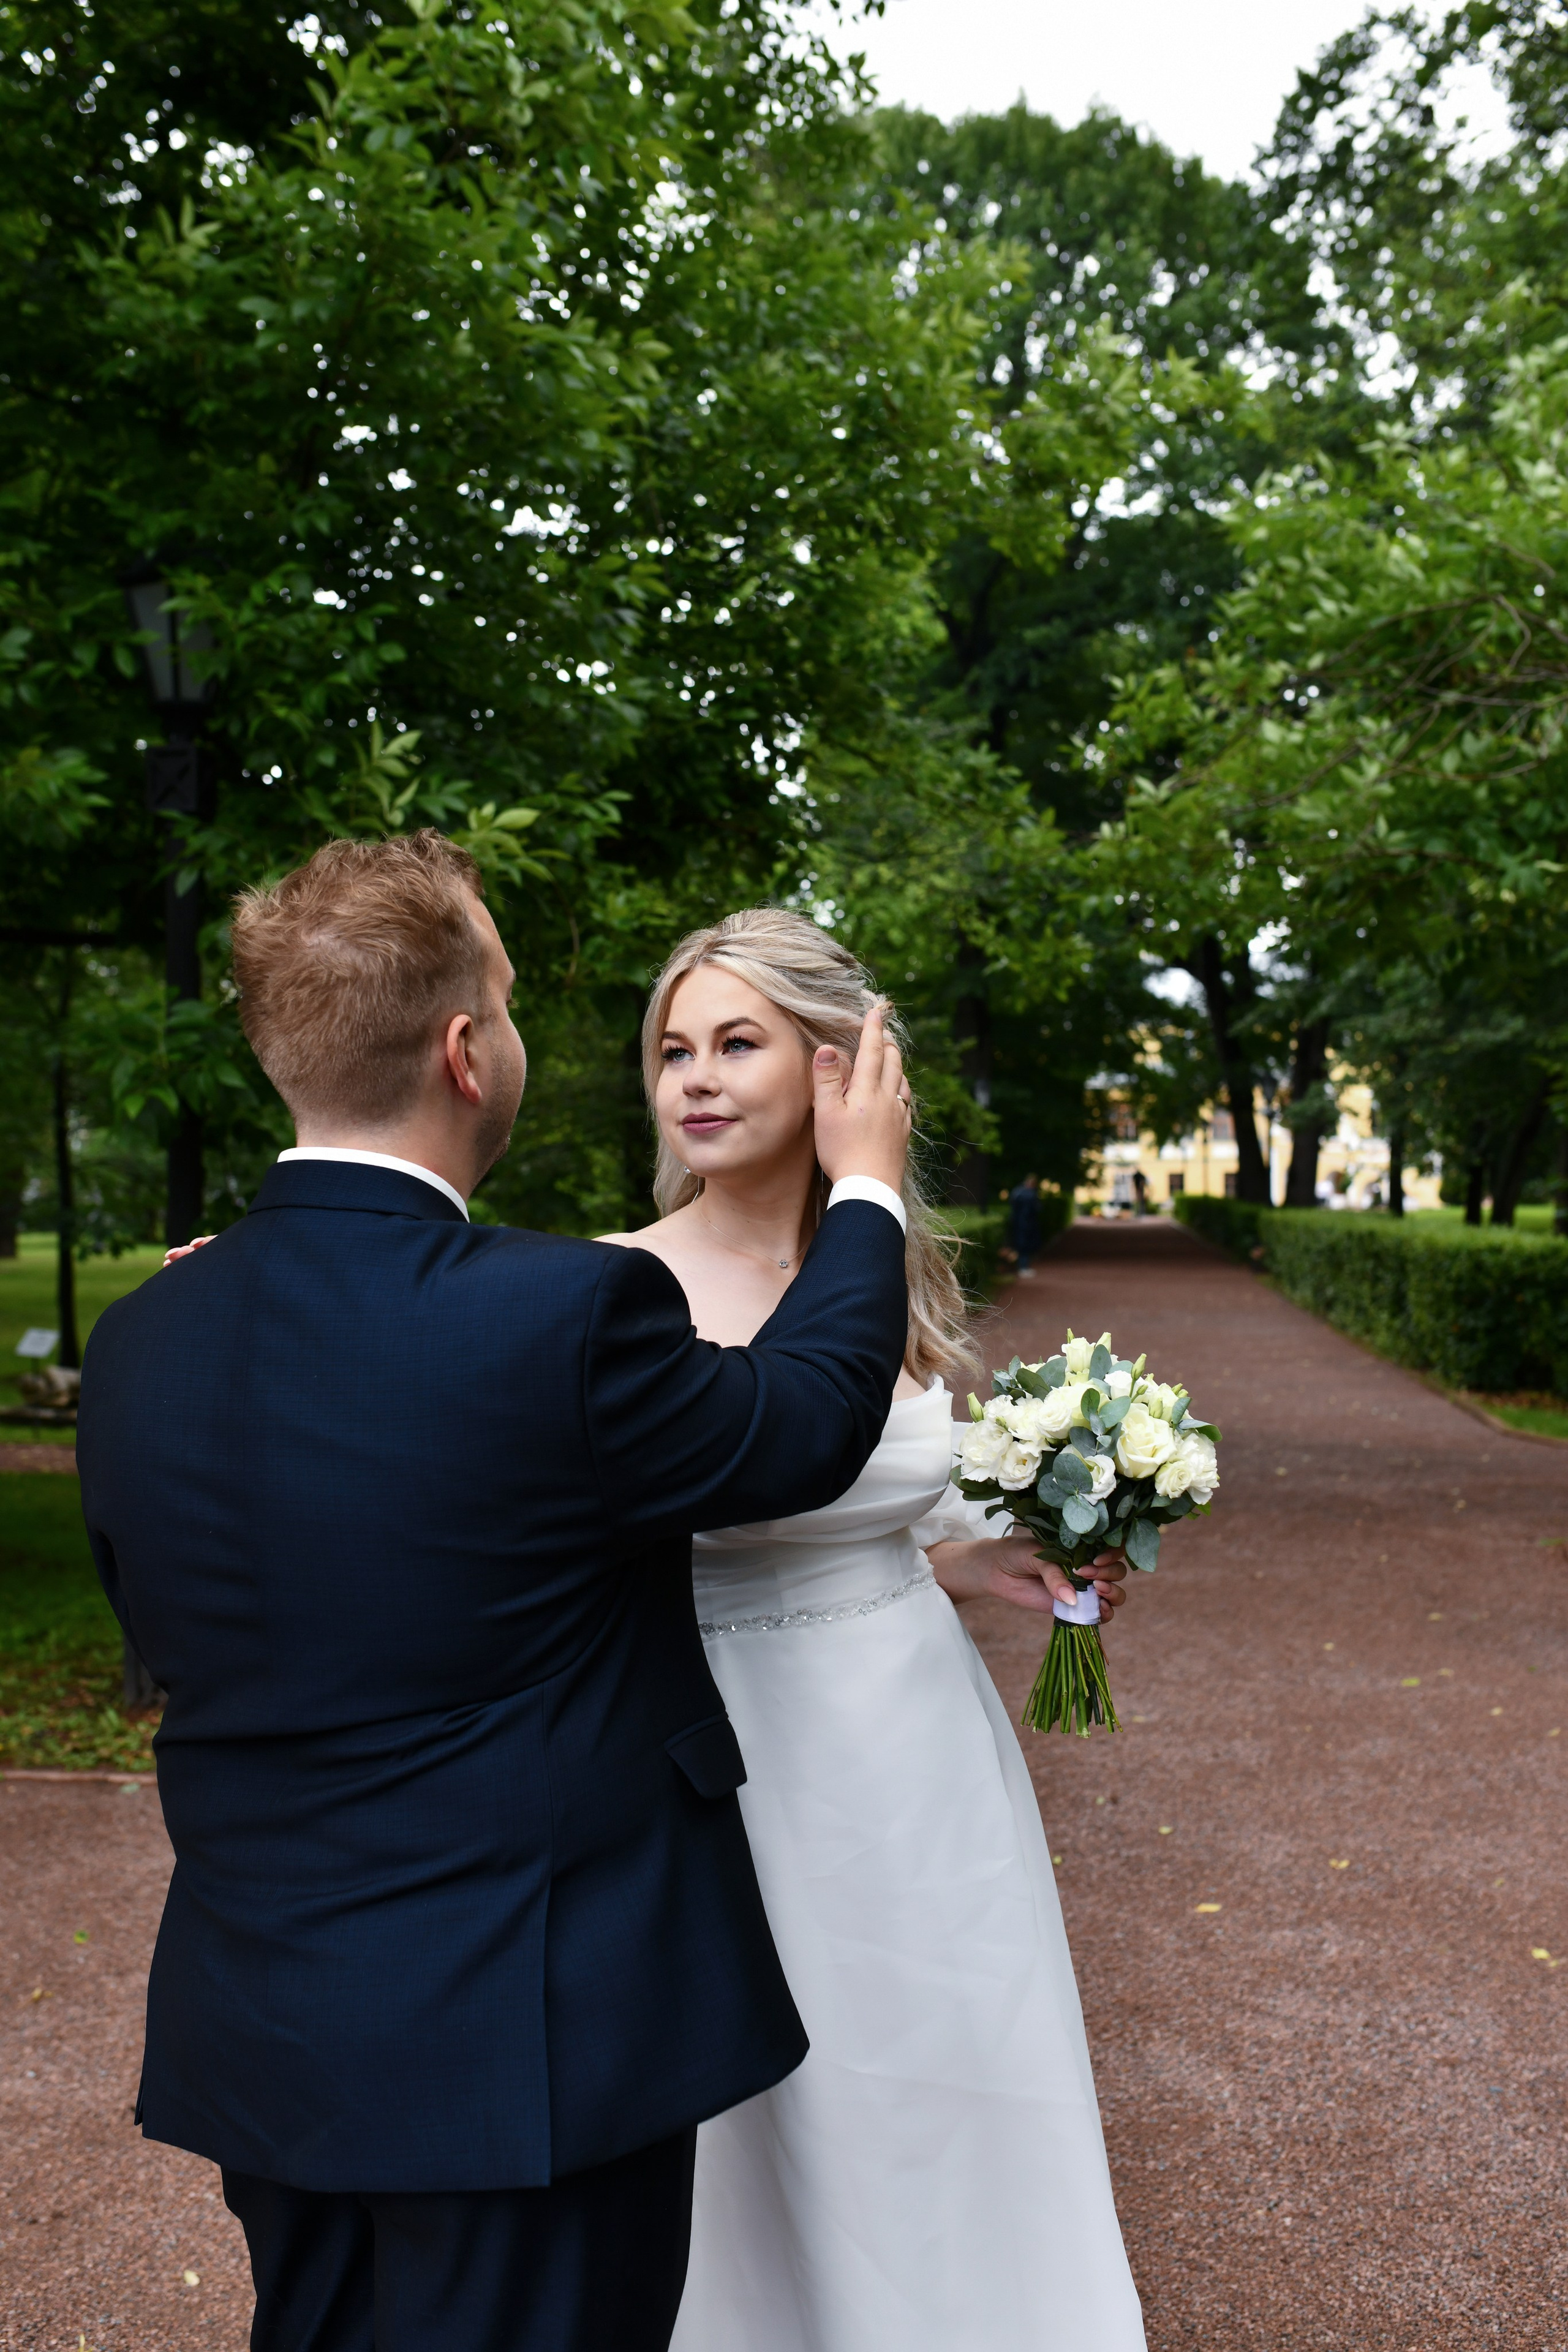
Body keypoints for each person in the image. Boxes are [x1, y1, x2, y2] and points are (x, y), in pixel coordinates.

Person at [75, 833, 916, 2352]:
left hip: (267, 2022)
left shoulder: (144, 1337)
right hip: (525, 2041)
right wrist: (864, 1191)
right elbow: (799, 1425)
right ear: (467, 1053)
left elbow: (163, 1635)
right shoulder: (562, 1313)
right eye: (513, 1002)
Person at [599, 911, 1147, 2352]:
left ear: (836, 1067)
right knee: (761, 2107)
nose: (692, 1079)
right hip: (724, 1753)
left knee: (944, 2075)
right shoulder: (608, 1286)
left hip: (918, 1756)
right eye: (672, 1049)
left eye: (735, 1043)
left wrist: (981, 1557)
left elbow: (860, 1507)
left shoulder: (884, 1273)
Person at [1009, 1168, 1043, 1275]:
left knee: (1019, 1245)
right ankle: (1023, 1267)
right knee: (1025, 1246)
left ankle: (1021, 1267)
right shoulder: (1031, 1194)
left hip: (1017, 1223)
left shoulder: (1017, 1192)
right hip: (1028, 1224)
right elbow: (1037, 1209)